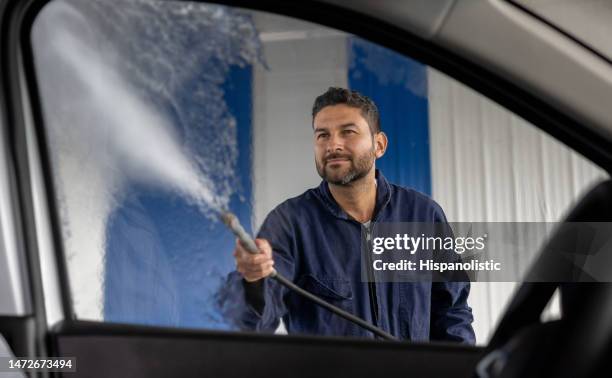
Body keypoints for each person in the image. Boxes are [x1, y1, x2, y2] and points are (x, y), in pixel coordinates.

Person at [220, 87, 475, 343]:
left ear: (379, 145)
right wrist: (253, 280)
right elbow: (249, 324)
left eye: (348, 132)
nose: (333, 145)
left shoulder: (422, 215)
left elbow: (453, 312)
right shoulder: (290, 223)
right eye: (322, 135)